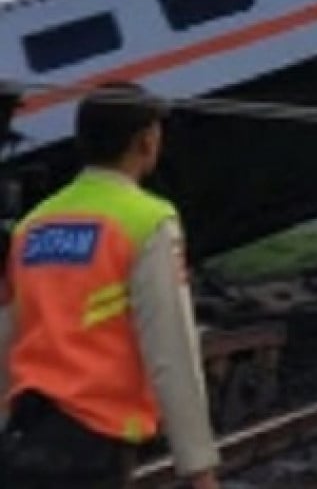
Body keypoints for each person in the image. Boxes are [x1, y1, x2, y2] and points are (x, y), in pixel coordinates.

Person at [0, 82, 221, 488]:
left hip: (24, 438)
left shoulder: (33, 225)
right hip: (95, 441)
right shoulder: (147, 220)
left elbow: (7, 336)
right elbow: (171, 349)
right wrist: (199, 466)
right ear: (146, 141)